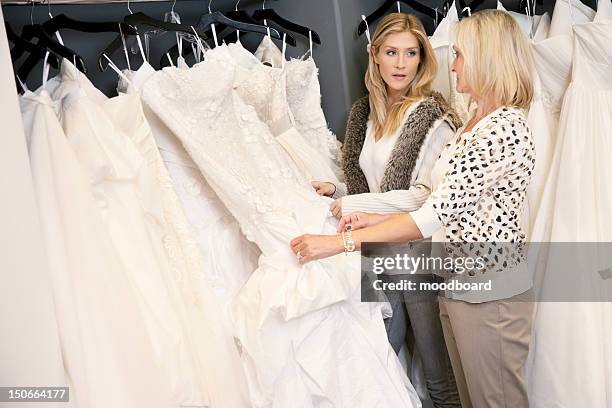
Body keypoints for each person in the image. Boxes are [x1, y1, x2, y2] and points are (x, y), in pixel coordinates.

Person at [292, 9, 535, 408]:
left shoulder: (503, 128)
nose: (451, 65)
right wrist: (367, 213)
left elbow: (429, 215)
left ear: (486, 58)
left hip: (489, 291)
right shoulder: (477, 119)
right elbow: (432, 195)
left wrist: (340, 241)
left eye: (459, 54)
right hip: (459, 284)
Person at [311, 12, 462, 407]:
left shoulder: (433, 118)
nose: (400, 63)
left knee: (435, 363)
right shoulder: (364, 114)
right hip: (373, 250)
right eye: (392, 52)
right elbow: (373, 185)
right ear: (374, 55)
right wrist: (338, 188)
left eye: (411, 53)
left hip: (416, 252)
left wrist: (350, 202)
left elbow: (424, 197)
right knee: (383, 351)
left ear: (422, 59)